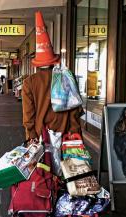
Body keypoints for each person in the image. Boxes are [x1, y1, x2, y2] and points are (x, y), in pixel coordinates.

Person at [22, 11, 83, 144]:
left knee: (44, 165)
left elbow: (28, 115)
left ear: (37, 65)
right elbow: (75, 110)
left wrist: (31, 135)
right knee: (66, 165)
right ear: (53, 61)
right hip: (66, 135)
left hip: (41, 136)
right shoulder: (67, 77)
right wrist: (75, 132)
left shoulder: (29, 83)